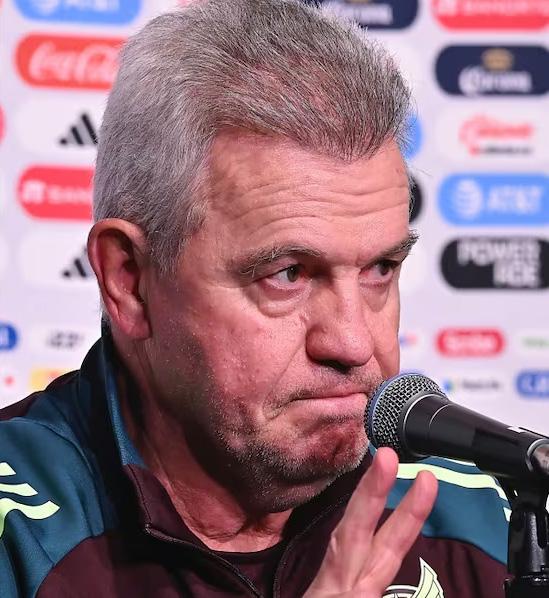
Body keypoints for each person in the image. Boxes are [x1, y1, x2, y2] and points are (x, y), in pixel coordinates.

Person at [0, 1, 509, 596]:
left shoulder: (482, 519)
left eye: (380, 269)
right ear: (129, 279)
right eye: (288, 274)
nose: (353, 342)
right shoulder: (17, 536)